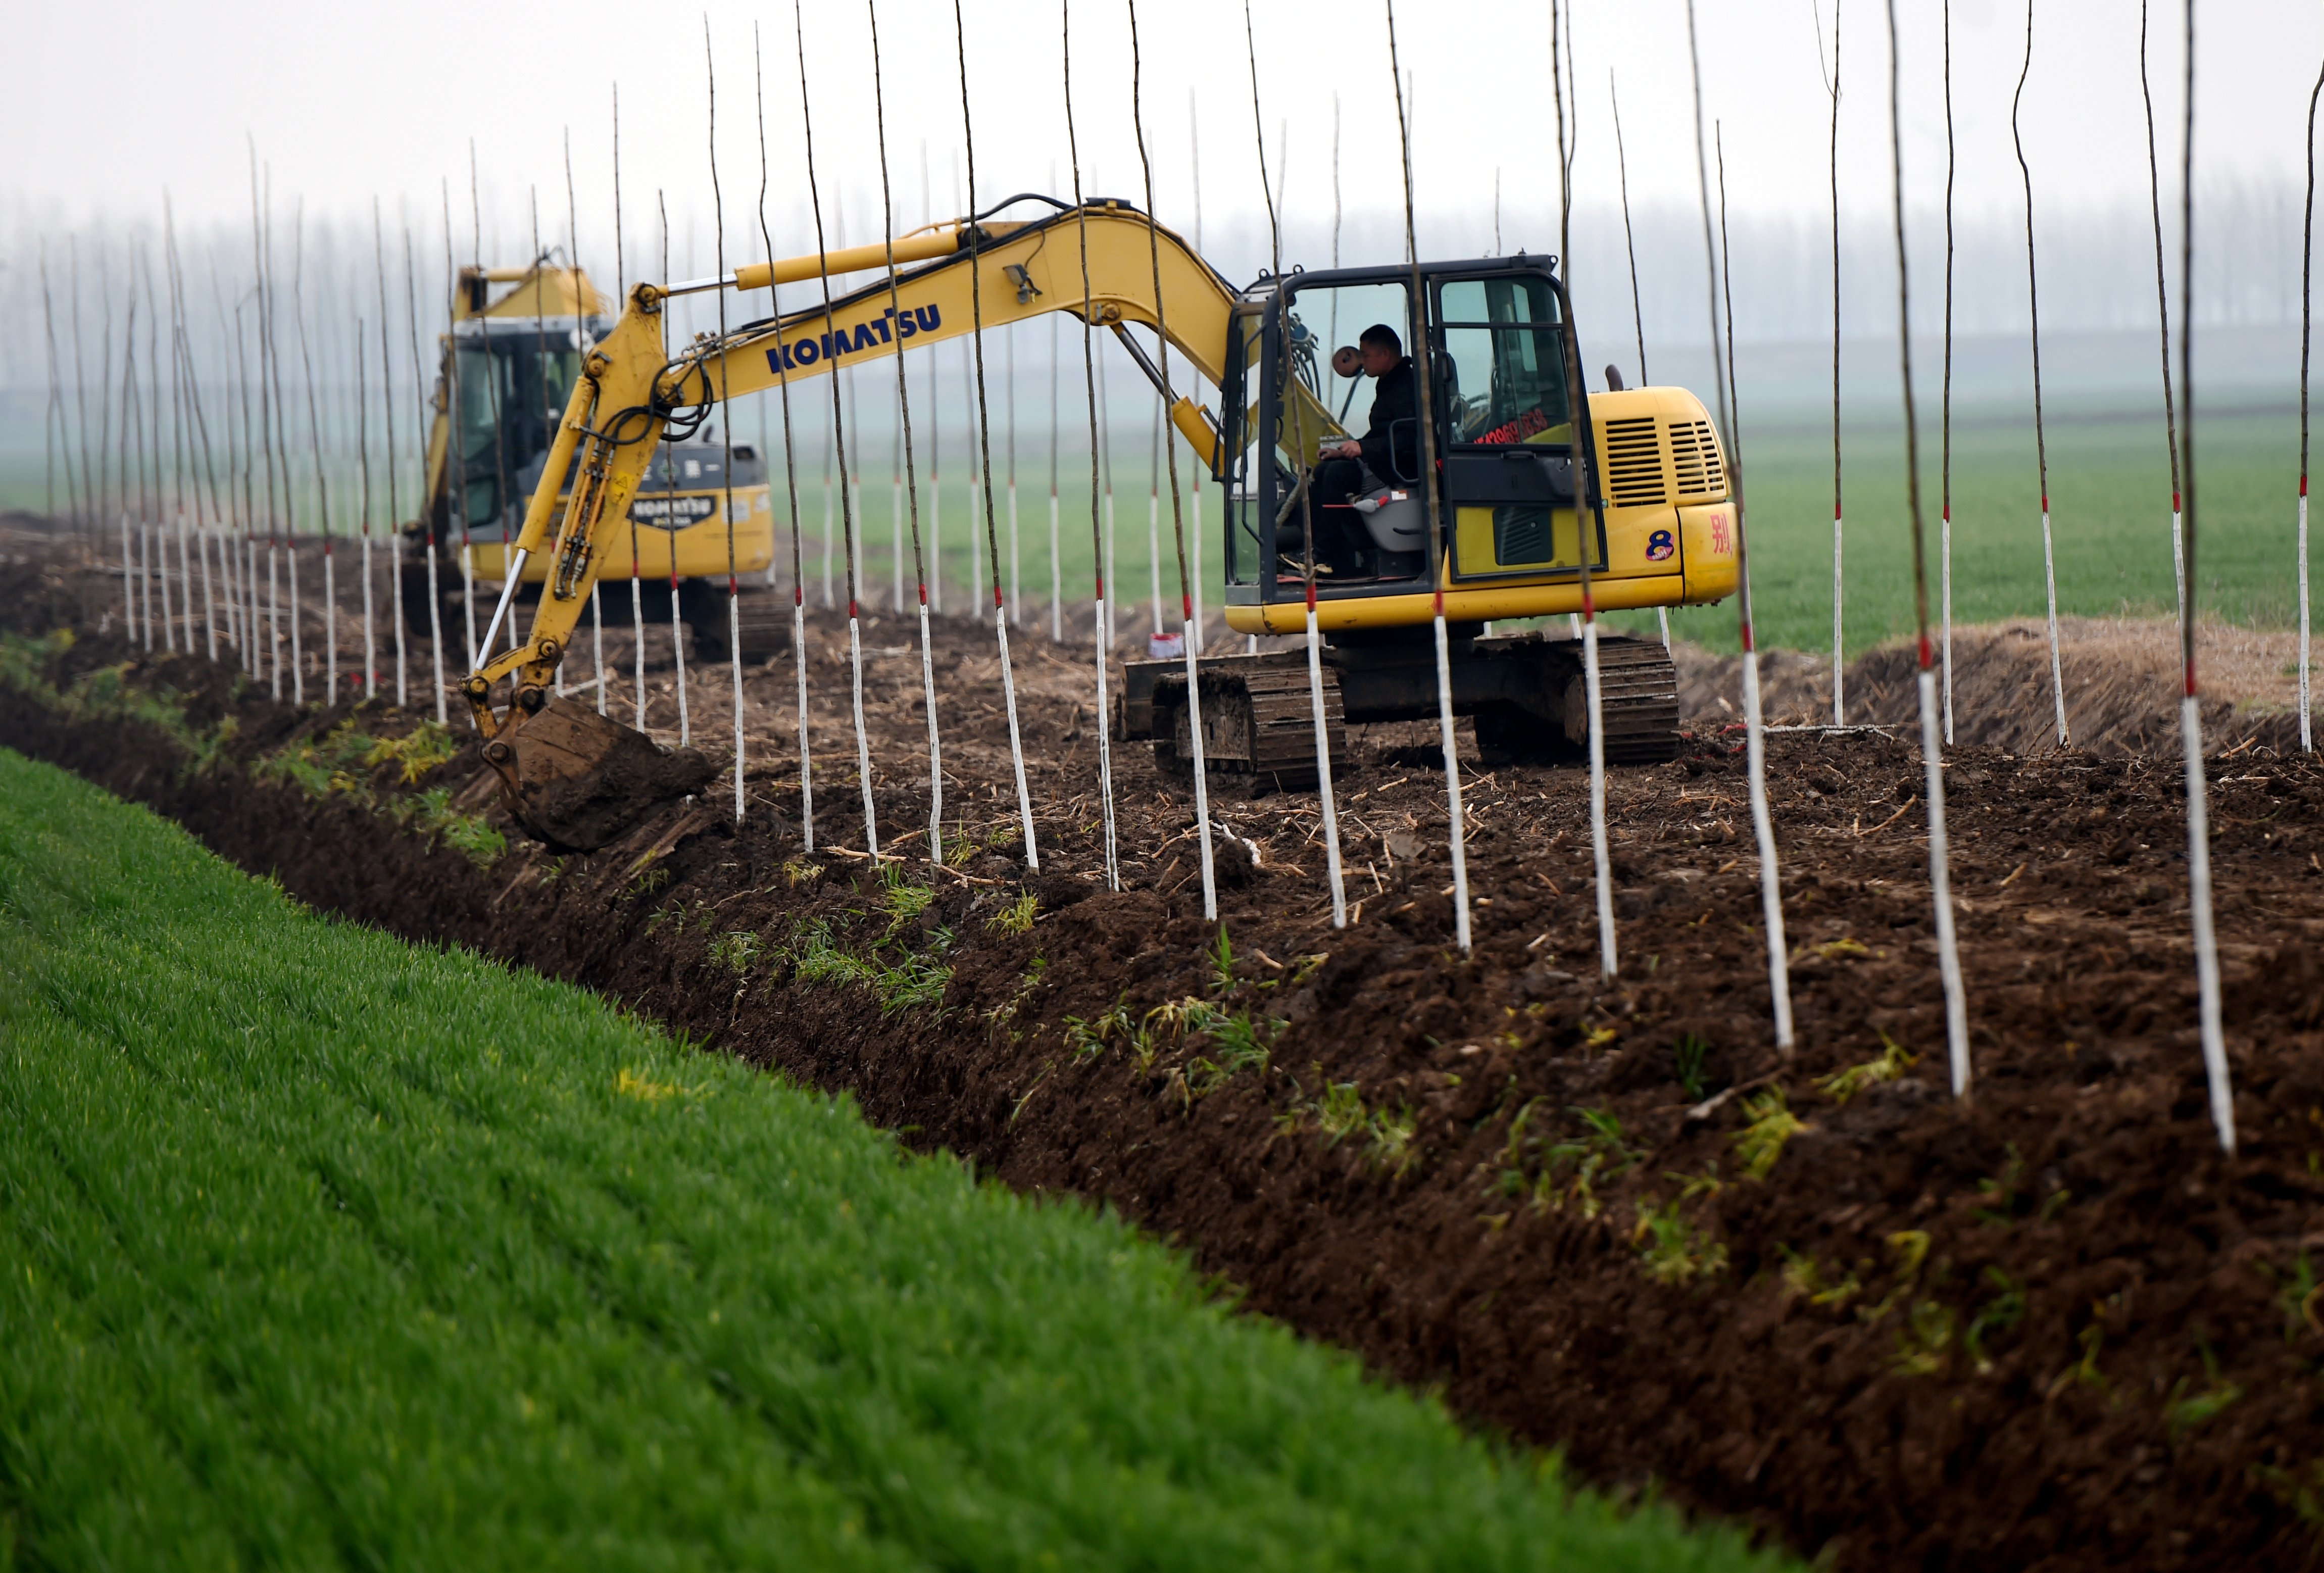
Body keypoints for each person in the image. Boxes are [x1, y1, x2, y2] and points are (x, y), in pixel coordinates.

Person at [1306, 324, 1419, 575]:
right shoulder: (1390, 382)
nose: (1362, 361)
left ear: (1384, 355)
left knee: (1336, 476)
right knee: (1324, 470)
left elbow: (1409, 438)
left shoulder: (1407, 386)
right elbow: (1383, 432)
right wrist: (1346, 450)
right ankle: (1329, 554)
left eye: (1366, 355)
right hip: (1388, 459)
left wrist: (1362, 448)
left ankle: (1327, 557)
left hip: (1403, 465)